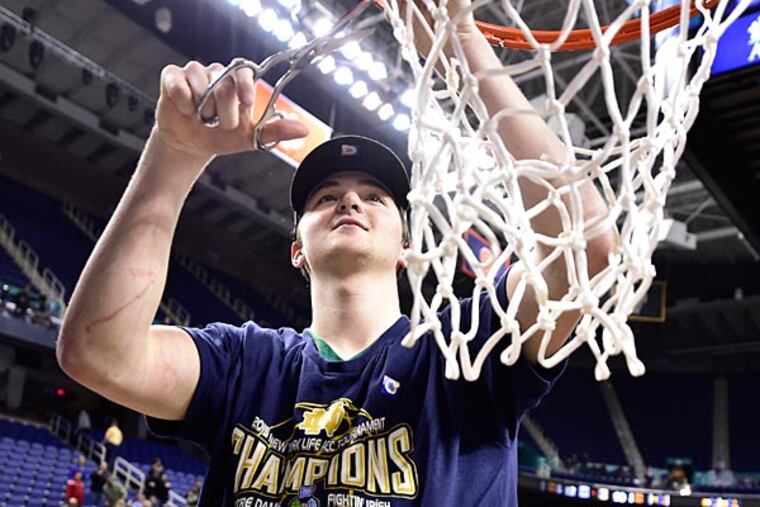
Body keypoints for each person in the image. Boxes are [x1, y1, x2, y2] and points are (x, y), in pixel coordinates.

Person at [56, 0, 615, 504]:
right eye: (326, 196)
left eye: (375, 197)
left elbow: (584, 243)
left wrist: (460, 45)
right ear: (298, 247)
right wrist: (173, 153)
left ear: (406, 247)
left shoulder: (461, 354)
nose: (350, 199)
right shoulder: (245, 364)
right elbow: (96, 352)